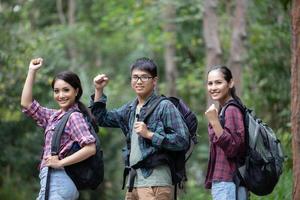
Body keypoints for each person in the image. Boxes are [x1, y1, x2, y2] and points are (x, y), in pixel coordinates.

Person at [90, 57, 189, 200]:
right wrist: (98, 90)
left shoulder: (164, 106)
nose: (139, 81)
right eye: (135, 77)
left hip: (156, 182)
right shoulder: (130, 108)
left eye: (144, 77)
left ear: (154, 81)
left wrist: (150, 134)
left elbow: (182, 140)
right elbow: (101, 119)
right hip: (134, 182)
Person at [21, 58, 97, 200]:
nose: (60, 95)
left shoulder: (74, 117)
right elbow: (27, 104)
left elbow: (90, 148)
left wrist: (60, 162)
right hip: (51, 181)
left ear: (76, 91)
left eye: (66, 90)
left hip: (59, 181)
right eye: (56, 91)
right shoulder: (54, 117)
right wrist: (32, 71)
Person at [204, 65, 248, 200]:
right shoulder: (224, 109)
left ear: (230, 83)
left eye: (218, 82)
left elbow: (233, 148)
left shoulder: (232, 109)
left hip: (228, 181)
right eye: (210, 83)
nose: (213, 87)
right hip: (226, 181)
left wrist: (214, 122)